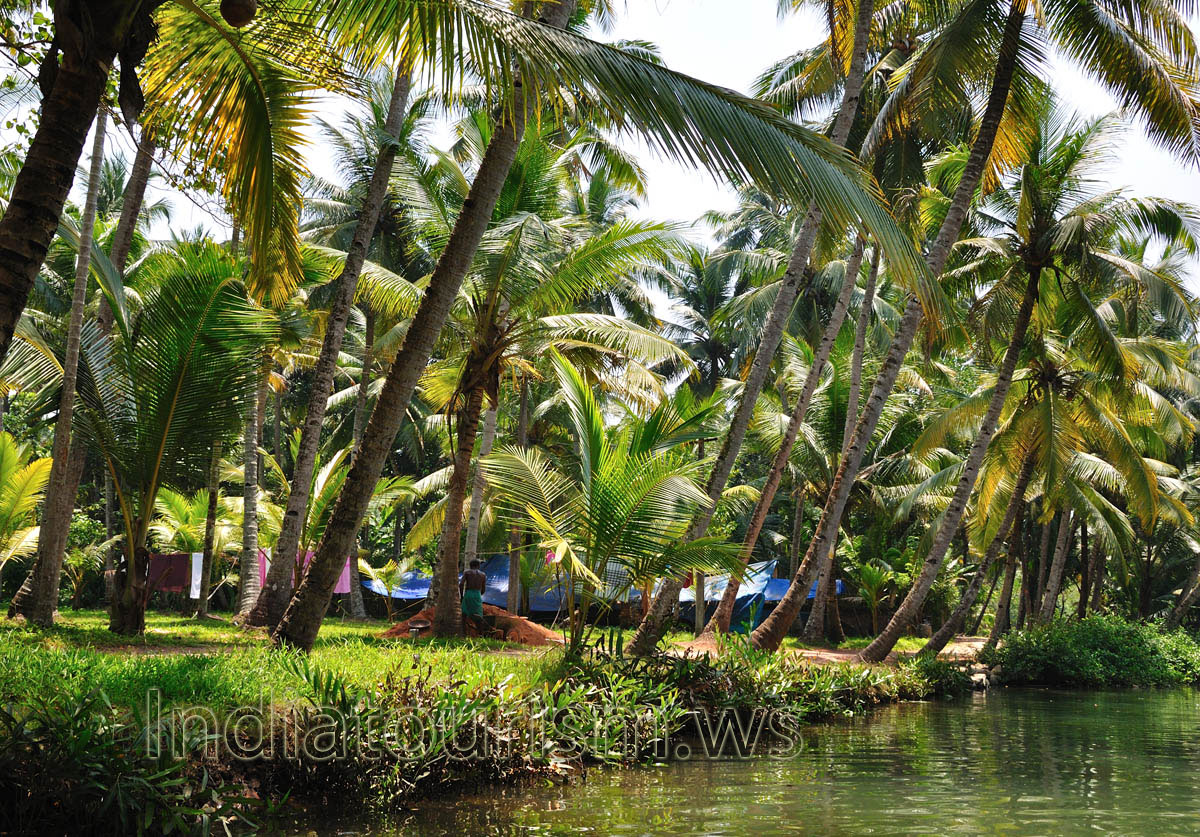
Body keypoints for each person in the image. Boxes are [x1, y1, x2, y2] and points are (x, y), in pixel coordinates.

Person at [460, 558, 488, 634]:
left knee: (464, 614)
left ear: (470, 565)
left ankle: (463, 634)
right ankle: (481, 634)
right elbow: (483, 588)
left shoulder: (467, 572)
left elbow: (461, 584)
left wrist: (462, 596)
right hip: (477, 594)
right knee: (479, 614)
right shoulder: (483, 575)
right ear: (478, 566)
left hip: (468, 593)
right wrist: (479, 594)